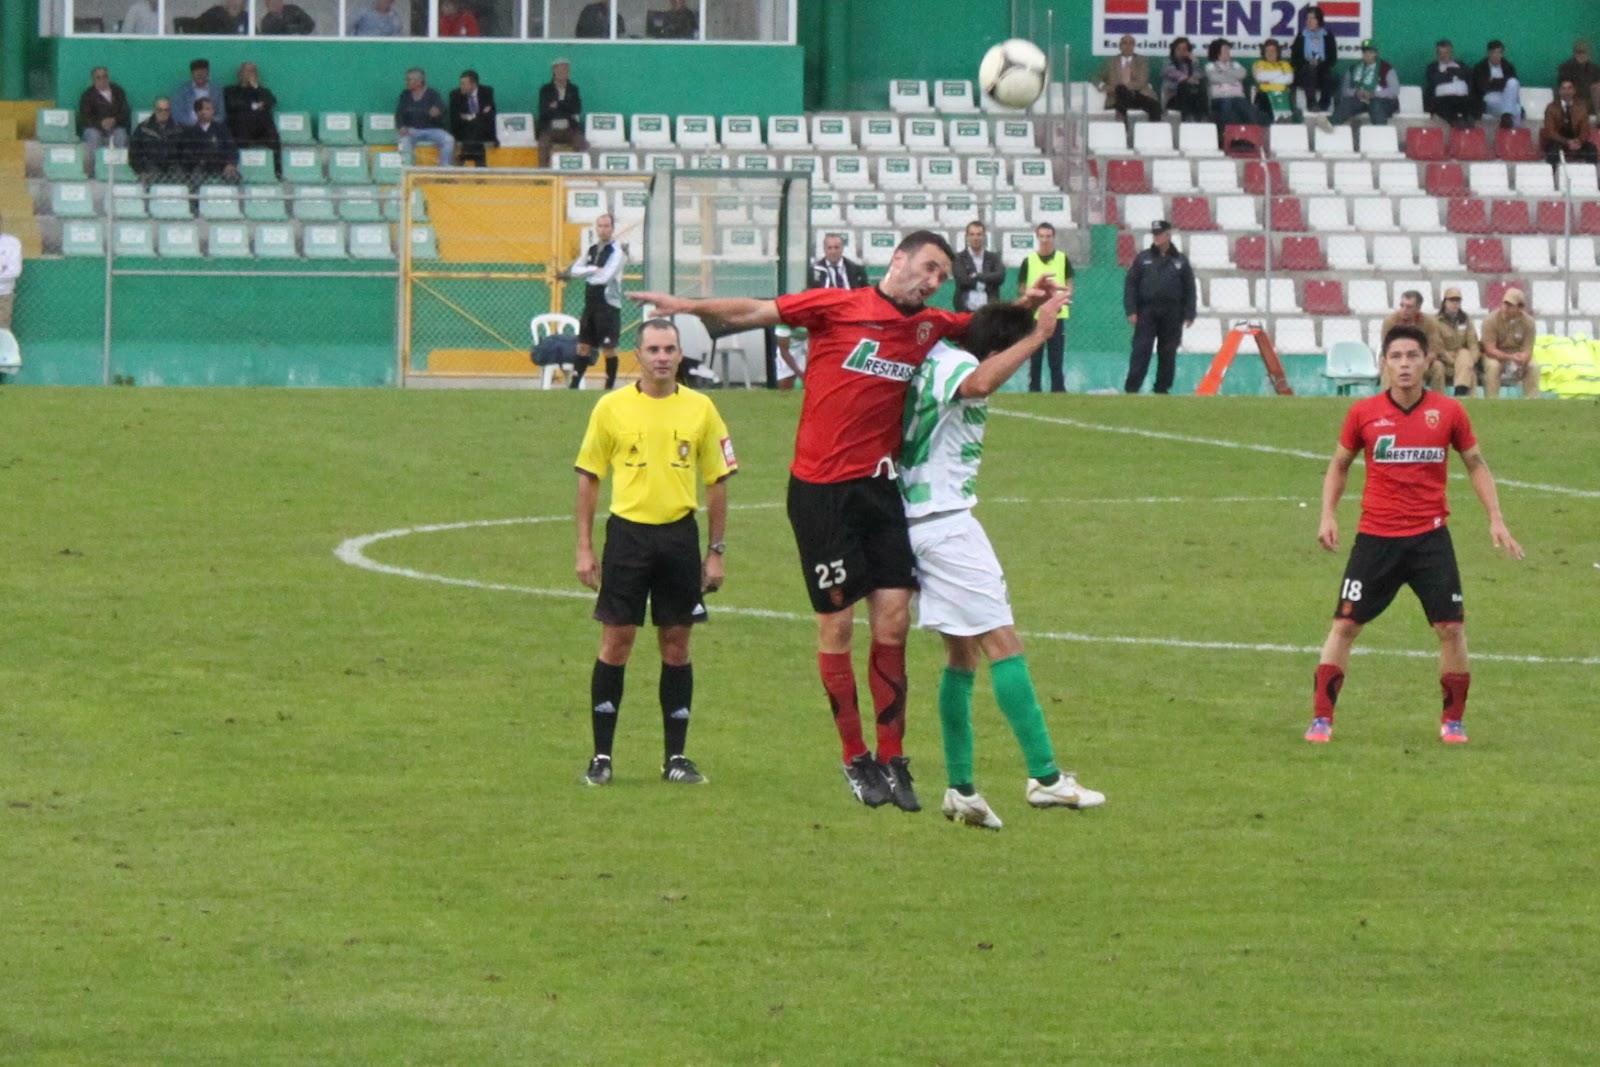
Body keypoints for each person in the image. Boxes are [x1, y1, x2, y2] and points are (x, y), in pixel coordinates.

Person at [634, 232, 1034, 812]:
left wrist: (1027, 306)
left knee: (893, 621)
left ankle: (893, 757)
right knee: (839, 628)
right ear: (898, 259)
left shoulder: (930, 325)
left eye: (941, 276)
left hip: (882, 490)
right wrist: (688, 305)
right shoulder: (838, 306)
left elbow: (985, 329)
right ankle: (855, 756)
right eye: (928, 267)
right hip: (821, 494)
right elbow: (754, 311)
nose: (932, 281)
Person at [898, 294, 1105, 830]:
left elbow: (983, 350)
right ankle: (1045, 777)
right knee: (1003, 644)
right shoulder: (956, 365)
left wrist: (1021, 308)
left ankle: (961, 788)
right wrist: (1037, 335)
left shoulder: (940, 355)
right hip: (946, 525)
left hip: (921, 521)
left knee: (961, 655)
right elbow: (979, 383)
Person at [1304, 323, 1524, 745]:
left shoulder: (1449, 412)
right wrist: (1327, 515)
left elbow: (1476, 464)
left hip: (1430, 539)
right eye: (1396, 357)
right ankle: (1321, 718)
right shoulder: (1364, 414)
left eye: (1412, 356)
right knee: (1345, 625)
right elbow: (1339, 464)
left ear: (1427, 361)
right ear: (1384, 364)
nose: (1404, 364)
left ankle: (1453, 722)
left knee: (1451, 628)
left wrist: (1496, 517)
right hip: (1376, 538)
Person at [574, 317, 736, 788]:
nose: (662, 357)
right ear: (638, 356)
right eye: (654, 349)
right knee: (616, 641)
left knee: (677, 645)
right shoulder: (611, 408)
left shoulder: (702, 409)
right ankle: (602, 757)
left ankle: (676, 758)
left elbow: (717, 481)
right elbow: (589, 477)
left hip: (679, 538)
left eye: (670, 349)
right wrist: (584, 547)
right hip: (627, 537)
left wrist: (716, 551)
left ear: (680, 354)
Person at [1123, 220, 1197, 395]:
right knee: (1141, 349)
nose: (1156, 237)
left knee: (1168, 351)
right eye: (1154, 234)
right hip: (1146, 312)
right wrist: (1131, 309)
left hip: (1172, 313)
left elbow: (1190, 288)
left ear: (1168, 235)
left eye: (1159, 234)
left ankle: (1162, 388)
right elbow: (1131, 285)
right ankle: (1132, 388)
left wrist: (1189, 313)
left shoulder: (1180, 260)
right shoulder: (1143, 258)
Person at [562, 214, 627, 389]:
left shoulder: (617, 252)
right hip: (590, 304)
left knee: (608, 349)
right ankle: (573, 386)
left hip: (608, 306)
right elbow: (575, 270)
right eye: (600, 226)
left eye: (606, 226)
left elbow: (605, 277)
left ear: (612, 228)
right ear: (596, 228)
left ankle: (609, 386)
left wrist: (589, 273)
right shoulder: (591, 250)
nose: (603, 230)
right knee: (583, 346)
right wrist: (593, 269)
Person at [1016, 221, 1072, 393]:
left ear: (1053, 237)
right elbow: (1022, 286)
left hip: (1057, 315)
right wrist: (1031, 298)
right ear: (1037, 237)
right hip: (1035, 315)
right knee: (1035, 355)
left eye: (1048, 236)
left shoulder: (1062, 258)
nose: (1045, 240)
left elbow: (1069, 283)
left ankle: (1058, 389)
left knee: (1056, 356)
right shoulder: (1029, 260)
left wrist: (1062, 297)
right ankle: (1034, 389)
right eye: (1042, 236)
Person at [1478, 288, 1541, 398]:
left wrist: (1522, 359)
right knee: (1493, 366)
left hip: (1517, 357)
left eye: (1510, 305)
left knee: (1533, 366)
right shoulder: (1490, 320)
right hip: (1494, 357)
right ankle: (1492, 401)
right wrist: (1510, 357)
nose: (1505, 308)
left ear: (1520, 308)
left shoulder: (1529, 323)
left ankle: (1532, 401)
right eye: (1505, 303)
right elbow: (1489, 350)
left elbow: (1528, 350)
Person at [1380, 290, 1448, 391]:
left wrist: (1420, 363)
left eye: (1409, 307)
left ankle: (1438, 399)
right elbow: (1386, 348)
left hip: (1420, 360)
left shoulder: (1429, 322)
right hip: (1397, 359)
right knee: (1387, 368)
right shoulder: (1390, 321)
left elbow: (1434, 348)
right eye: (1402, 305)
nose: (1404, 310)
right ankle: (1386, 398)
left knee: (1438, 367)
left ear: (1418, 308)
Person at [1322, 39, 1399, 128]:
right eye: (1364, 52)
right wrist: (1356, 92)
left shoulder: (1386, 68)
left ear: (1375, 53)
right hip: (1361, 100)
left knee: (1375, 105)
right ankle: (1330, 125)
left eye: (1370, 52)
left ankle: (1380, 132)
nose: (1367, 55)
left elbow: (1394, 90)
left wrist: (1374, 94)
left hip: (1383, 101)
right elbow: (1344, 90)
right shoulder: (1353, 68)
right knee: (1348, 103)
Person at [223, 62, 279, 172]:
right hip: (239, 128)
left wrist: (255, 87)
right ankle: (240, 170)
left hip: (260, 129)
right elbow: (232, 104)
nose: (249, 74)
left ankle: (277, 170)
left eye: (252, 71)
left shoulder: (262, 90)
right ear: (239, 73)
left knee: (271, 129)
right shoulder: (230, 90)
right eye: (246, 71)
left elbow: (270, 101)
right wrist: (254, 106)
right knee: (243, 116)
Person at [396, 67, 455, 166]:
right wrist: (401, 126)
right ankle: (409, 169)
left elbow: (442, 109)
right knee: (403, 142)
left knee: (449, 140)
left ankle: (444, 168)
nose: (406, 82)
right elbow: (399, 114)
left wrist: (438, 112)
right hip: (412, 131)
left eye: (408, 80)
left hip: (432, 130)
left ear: (419, 81)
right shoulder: (405, 95)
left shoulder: (433, 94)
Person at [1095, 34, 1161, 123]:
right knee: (1121, 95)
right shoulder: (1110, 62)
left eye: (1131, 43)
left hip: (1138, 96)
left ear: (1134, 46)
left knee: (1155, 106)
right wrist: (1104, 87)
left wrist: (1120, 88)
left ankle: (1153, 131)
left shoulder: (1141, 61)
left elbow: (1141, 82)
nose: (1128, 46)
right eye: (1125, 43)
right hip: (1116, 97)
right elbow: (1096, 78)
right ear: (1120, 46)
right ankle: (1124, 130)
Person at [537, 59, 587, 168]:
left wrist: (558, 104)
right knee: (543, 144)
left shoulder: (573, 89)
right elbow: (544, 111)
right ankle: (543, 174)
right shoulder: (546, 90)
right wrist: (566, 106)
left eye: (565, 70)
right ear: (553, 71)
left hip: (569, 128)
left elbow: (577, 108)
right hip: (550, 128)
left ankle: (580, 172)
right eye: (560, 70)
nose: (563, 72)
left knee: (581, 142)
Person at [180, 97, 239, 187]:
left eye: (208, 109)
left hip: (221, 165)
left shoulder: (222, 129)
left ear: (213, 111)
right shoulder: (190, 132)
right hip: (200, 166)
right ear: (197, 112)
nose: (205, 112)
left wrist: (230, 163)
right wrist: (199, 161)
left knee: (234, 177)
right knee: (195, 179)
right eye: (202, 109)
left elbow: (232, 149)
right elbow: (187, 153)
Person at [1423, 39, 1482, 129]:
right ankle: (1457, 121)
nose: (1443, 55)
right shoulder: (1433, 67)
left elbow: (1470, 77)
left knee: (1475, 101)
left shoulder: (1461, 65)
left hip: (1463, 97)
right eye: (1440, 53)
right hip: (1444, 98)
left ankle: (1466, 120)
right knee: (1445, 105)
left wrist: (1448, 73)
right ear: (1437, 54)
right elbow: (1434, 80)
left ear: (1451, 53)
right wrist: (1454, 73)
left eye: (1446, 52)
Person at [1290, 5, 1338, 114]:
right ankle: (1311, 103)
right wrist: (1308, 63)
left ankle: (1324, 105)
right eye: (1307, 18)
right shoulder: (1301, 36)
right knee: (1310, 70)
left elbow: (1332, 59)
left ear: (1319, 20)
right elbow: (1294, 59)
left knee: (1330, 76)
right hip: (1304, 73)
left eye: (1312, 18)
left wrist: (1320, 64)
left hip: (1322, 71)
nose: (1309, 21)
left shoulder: (1327, 36)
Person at [1540, 79, 1597, 170]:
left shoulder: (1581, 108)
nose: (1567, 91)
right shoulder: (1551, 107)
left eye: (1569, 88)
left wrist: (1579, 141)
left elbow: (1585, 130)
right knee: (1553, 151)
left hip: (1576, 141)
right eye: (1564, 88)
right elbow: (1550, 132)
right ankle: (1553, 176)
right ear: (1559, 91)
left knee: (1591, 149)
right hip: (1558, 141)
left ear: (1574, 91)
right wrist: (1567, 142)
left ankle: (1592, 176)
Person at [1436, 288, 1482, 398]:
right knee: (1468, 370)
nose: (1455, 304)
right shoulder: (1436, 321)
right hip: (1445, 360)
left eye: (1458, 301)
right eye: (1452, 300)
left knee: (1465, 354)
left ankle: (1462, 396)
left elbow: (1473, 344)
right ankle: (1460, 395)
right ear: (1444, 302)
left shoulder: (1466, 319)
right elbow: (1438, 347)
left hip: (1463, 359)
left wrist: (1472, 360)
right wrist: (1453, 361)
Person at [1205, 39, 1257, 132]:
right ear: (1217, 52)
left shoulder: (1235, 64)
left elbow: (1242, 74)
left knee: (1248, 109)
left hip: (1238, 97)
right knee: (1227, 104)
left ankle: (1252, 134)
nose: (1228, 52)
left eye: (1228, 50)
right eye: (1225, 50)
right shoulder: (1210, 66)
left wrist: (1224, 72)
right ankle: (1226, 134)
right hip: (1220, 98)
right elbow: (1214, 78)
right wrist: (1234, 78)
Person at [951, 220, 1004, 312]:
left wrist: (977, 275)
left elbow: (1000, 277)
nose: (975, 238)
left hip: (989, 310)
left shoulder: (994, 257)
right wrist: (989, 279)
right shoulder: (958, 258)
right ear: (967, 237)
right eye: (972, 234)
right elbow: (963, 281)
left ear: (984, 237)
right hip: (965, 309)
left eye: (979, 234)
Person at [78, 66, 132, 154]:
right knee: (93, 135)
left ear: (108, 77)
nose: (102, 80)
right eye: (98, 77)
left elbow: (125, 111)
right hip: (94, 128)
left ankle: (120, 162)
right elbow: (85, 117)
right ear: (93, 80)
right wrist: (101, 123)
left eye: (105, 76)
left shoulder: (118, 91)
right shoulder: (87, 95)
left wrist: (114, 120)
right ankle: (96, 162)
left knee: (121, 134)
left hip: (115, 127)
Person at [449, 70, 497, 167]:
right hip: (463, 130)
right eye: (461, 84)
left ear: (473, 84)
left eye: (463, 84)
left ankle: (465, 155)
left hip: (484, 130)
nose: (461, 86)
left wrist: (470, 117)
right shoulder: (455, 94)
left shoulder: (486, 92)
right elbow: (455, 118)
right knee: (475, 126)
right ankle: (480, 163)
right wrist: (479, 115)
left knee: (477, 125)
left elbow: (490, 115)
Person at [130, 97, 184, 183]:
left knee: (181, 179)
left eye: (166, 110)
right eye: (160, 110)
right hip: (149, 166)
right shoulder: (143, 128)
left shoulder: (179, 129)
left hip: (173, 167)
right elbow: (134, 153)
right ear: (154, 110)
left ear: (170, 111)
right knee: (152, 177)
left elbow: (184, 153)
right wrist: (140, 171)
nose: (163, 113)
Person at [1473, 40, 1523, 130]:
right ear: (1488, 53)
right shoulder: (1480, 67)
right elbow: (1482, 87)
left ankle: (1506, 118)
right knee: (1516, 109)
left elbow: (1514, 85)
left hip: (1506, 96)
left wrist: (1493, 81)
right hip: (1489, 98)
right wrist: (1502, 82)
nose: (1496, 56)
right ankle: (1508, 122)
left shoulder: (1508, 66)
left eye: (1499, 53)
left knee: (1513, 82)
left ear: (1502, 54)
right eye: (1493, 53)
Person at [1162, 37, 1208, 123]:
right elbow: (1173, 73)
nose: (1181, 52)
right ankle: (1186, 120)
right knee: (1184, 85)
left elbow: (1201, 76)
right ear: (1174, 50)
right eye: (1178, 49)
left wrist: (1195, 62)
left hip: (1192, 97)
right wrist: (1188, 79)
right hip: (1174, 97)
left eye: (1184, 49)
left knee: (1201, 84)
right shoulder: (1168, 62)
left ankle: (1202, 119)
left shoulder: (1191, 63)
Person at [1253, 39, 1296, 123]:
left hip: (1283, 95)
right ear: (1264, 53)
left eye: (1273, 51)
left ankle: (1283, 122)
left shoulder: (1285, 64)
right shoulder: (1259, 64)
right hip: (1265, 96)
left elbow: (1289, 79)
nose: (1270, 53)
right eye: (1267, 51)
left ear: (1277, 52)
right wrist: (1281, 74)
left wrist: (1269, 80)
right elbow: (1260, 77)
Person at [171, 59, 222, 128]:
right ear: (191, 74)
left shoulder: (216, 90)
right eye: (197, 73)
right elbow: (177, 114)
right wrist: (195, 124)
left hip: (211, 127)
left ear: (208, 73)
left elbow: (221, 115)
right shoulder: (181, 90)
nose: (200, 75)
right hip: (188, 127)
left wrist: (209, 124)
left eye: (203, 72)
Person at [1556, 39, 1600, 117]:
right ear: (1574, 53)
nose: (1582, 55)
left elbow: (1596, 88)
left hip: (1590, 102)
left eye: (1584, 52)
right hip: (1572, 100)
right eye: (1579, 52)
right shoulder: (1566, 67)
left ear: (1589, 54)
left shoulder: (1594, 69)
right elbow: (1564, 89)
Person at [0, 214, 21, 331]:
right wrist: (3, 268)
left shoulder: (12, 242)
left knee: (2, 331)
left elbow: (14, 271)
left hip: (4, 294)